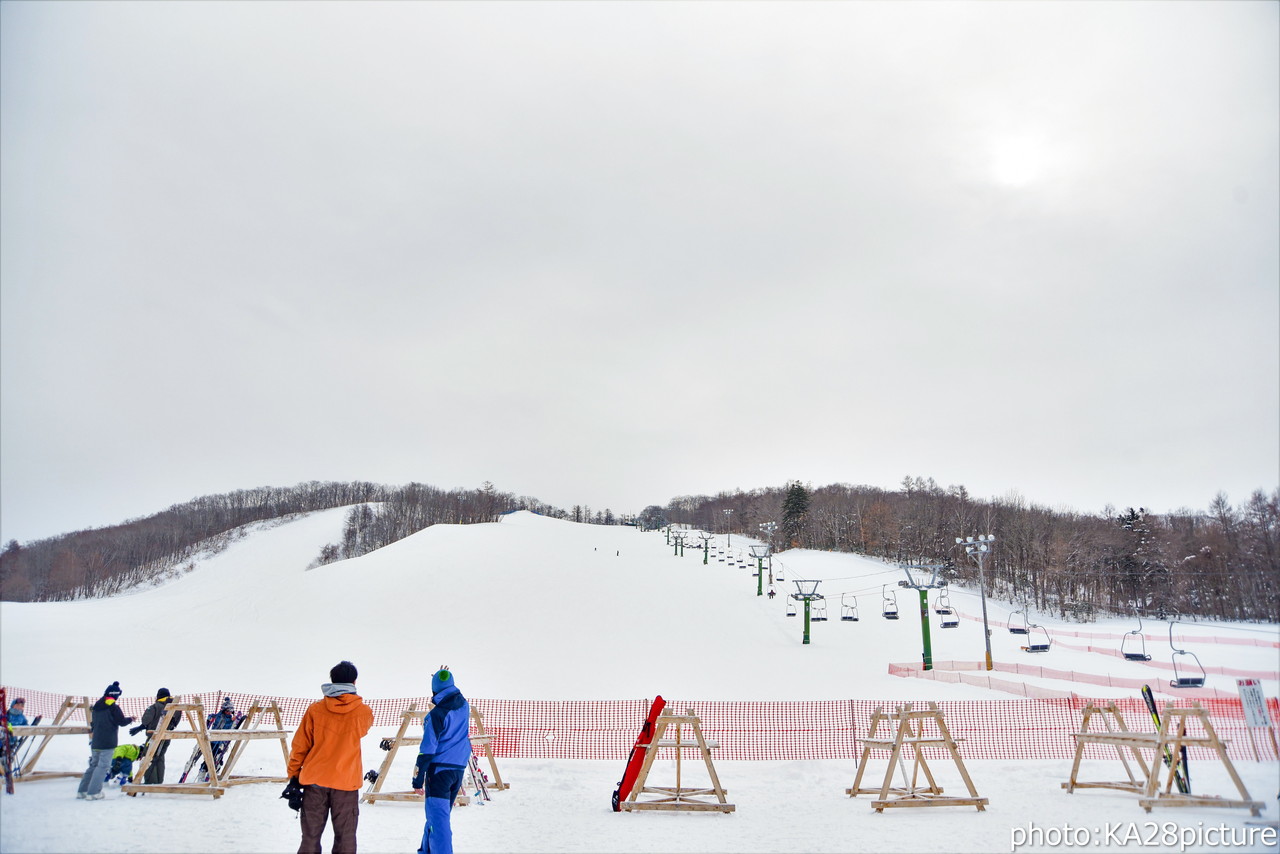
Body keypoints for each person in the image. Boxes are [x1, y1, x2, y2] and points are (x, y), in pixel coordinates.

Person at [287, 661, 373, 854]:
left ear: (331, 680)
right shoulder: (364, 712)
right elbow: (363, 730)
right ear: (354, 681)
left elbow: (300, 746)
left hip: (315, 781)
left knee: (310, 838)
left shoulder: (315, 710)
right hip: (346, 782)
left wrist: (294, 775)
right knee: (346, 839)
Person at [411, 667, 471, 854]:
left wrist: (417, 779)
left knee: (439, 823)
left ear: (434, 690)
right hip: (458, 769)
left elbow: (427, 750)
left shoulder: (436, 716)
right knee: (437, 819)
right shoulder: (464, 706)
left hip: (439, 772)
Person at [77, 682, 135, 800]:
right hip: (108, 742)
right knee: (103, 767)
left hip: (96, 741)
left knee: (93, 765)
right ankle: (93, 793)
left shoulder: (96, 707)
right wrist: (130, 719)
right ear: (115, 695)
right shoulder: (113, 707)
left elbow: (93, 724)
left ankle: (82, 791)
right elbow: (121, 721)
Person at [131, 688, 179, 784]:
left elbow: (146, 720)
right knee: (160, 757)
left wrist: (142, 726)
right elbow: (175, 722)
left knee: (149, 757)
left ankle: (150, 782)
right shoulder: (175, 707)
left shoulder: (155, 707)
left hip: (153, 737)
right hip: (166, 737)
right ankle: (159, 781)